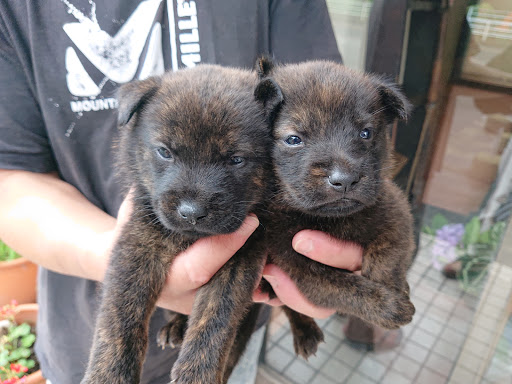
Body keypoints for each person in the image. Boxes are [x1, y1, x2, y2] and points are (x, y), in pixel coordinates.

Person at [0, 1, 363, 383]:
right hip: (75, 330)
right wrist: (103, 252)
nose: (191, 204)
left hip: (242, 326)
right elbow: (9, 179)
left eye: (236, 160)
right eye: (165, 153)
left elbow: (324, 119)